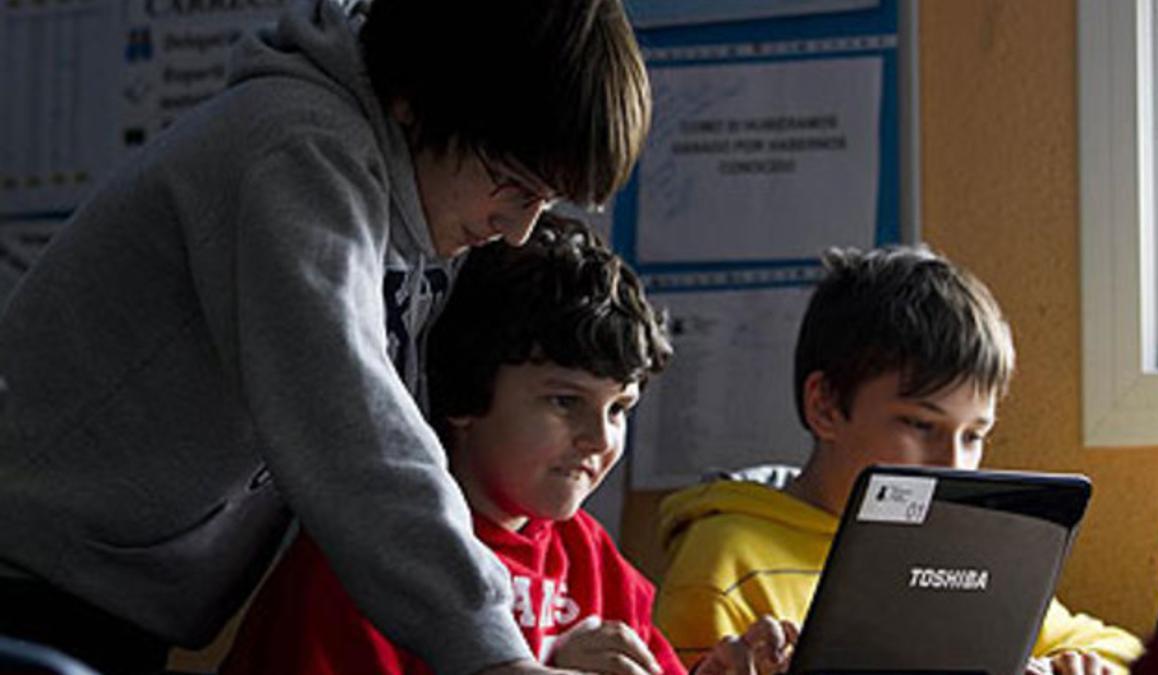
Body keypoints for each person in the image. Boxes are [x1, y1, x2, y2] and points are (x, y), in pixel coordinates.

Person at [0, 0, 650, 673]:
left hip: (111, 602)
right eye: (510, 184)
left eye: (543, 202)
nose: (518, 228)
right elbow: (351, 428)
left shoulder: (421, 212)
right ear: (414, 99)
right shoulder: (299, 151)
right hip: (30, 581)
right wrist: (497, 659)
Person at [219, 213, 799, 675]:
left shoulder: (589, 557)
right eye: (564, 401)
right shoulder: (373, 558)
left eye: (619, 409)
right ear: (465, 394)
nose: (598, 440)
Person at [653, 246, 1145, 675]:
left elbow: (1123, 649)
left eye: (974, 436)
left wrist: (1076, 666)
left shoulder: (960, 550)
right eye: (920, 425)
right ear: (825, 406)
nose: (952, 464)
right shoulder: (725, 561)